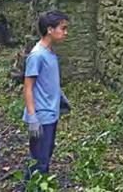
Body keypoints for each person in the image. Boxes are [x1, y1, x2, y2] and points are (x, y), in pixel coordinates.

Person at [22, 10, 70, 179]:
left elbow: (47, 81)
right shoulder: (37, 55)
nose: (66, 32)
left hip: (51, 114)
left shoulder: (50, 52)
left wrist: (60, 98)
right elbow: (28, 87)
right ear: (50, 29)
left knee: (45, 156)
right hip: (41, 117)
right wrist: (33, 118)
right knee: (39, 162)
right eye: (62, 28)